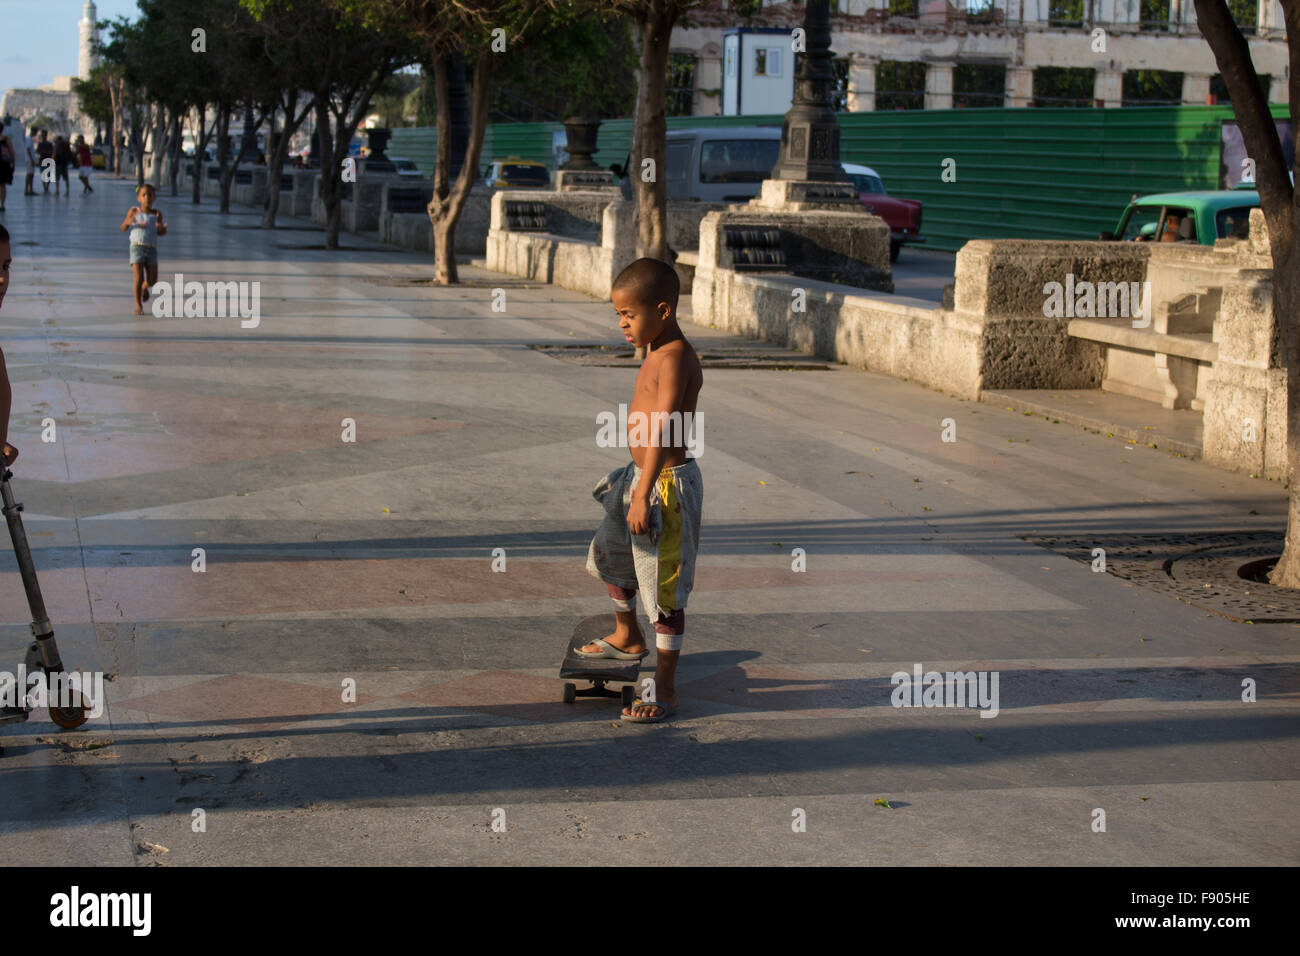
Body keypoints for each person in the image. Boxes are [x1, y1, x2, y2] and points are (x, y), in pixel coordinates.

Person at [579, 258, 704, 723]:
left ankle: (666, 688)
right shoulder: (655, 349)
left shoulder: (673, 358)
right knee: (611, 554)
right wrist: (632, 485)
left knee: (663, 588)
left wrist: (642, 492)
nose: (622, 324)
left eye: (630, 315)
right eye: (619, 315)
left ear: (664, 310)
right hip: (639, 477)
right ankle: (627, 635)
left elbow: (665, 429)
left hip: (664, 485)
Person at [119, 184, 166, 315]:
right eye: (144, 195)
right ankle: (138, 305)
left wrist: (162, 229)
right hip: (136, 247)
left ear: (154, 198)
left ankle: (144, 287)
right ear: (139, 198)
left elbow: (161, 231)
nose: (147, 198)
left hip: (151, 249)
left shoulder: (157, 214)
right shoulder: (134, 211)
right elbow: (123, 227)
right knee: (138, 277)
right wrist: (129, 222)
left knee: (152, 280)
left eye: (150, 195)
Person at [0, 123, 14, 211]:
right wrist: (14, 163)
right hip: (4, 164)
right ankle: (2, 205)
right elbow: (12, 152)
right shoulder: (6, 139)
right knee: (2, 185)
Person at [35, 130, 53, 195]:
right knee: (43, 175)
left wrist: (44, 152)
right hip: (42, 160)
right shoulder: (40, 144)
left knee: (48, 175)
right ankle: (45, 188)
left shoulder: (49, 144)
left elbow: (51, 151)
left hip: (48, 161)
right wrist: (45, 152)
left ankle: (47, 188)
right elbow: (38, 151)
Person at [24, 127, 38, 195]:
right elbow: (28, 149)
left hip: (30, 159)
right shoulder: (29, 139)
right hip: (29, 160)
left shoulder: (30, 139)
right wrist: (31, 159)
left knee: (31, 175)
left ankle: (30, 190)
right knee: (29, 174)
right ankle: (27, 190)